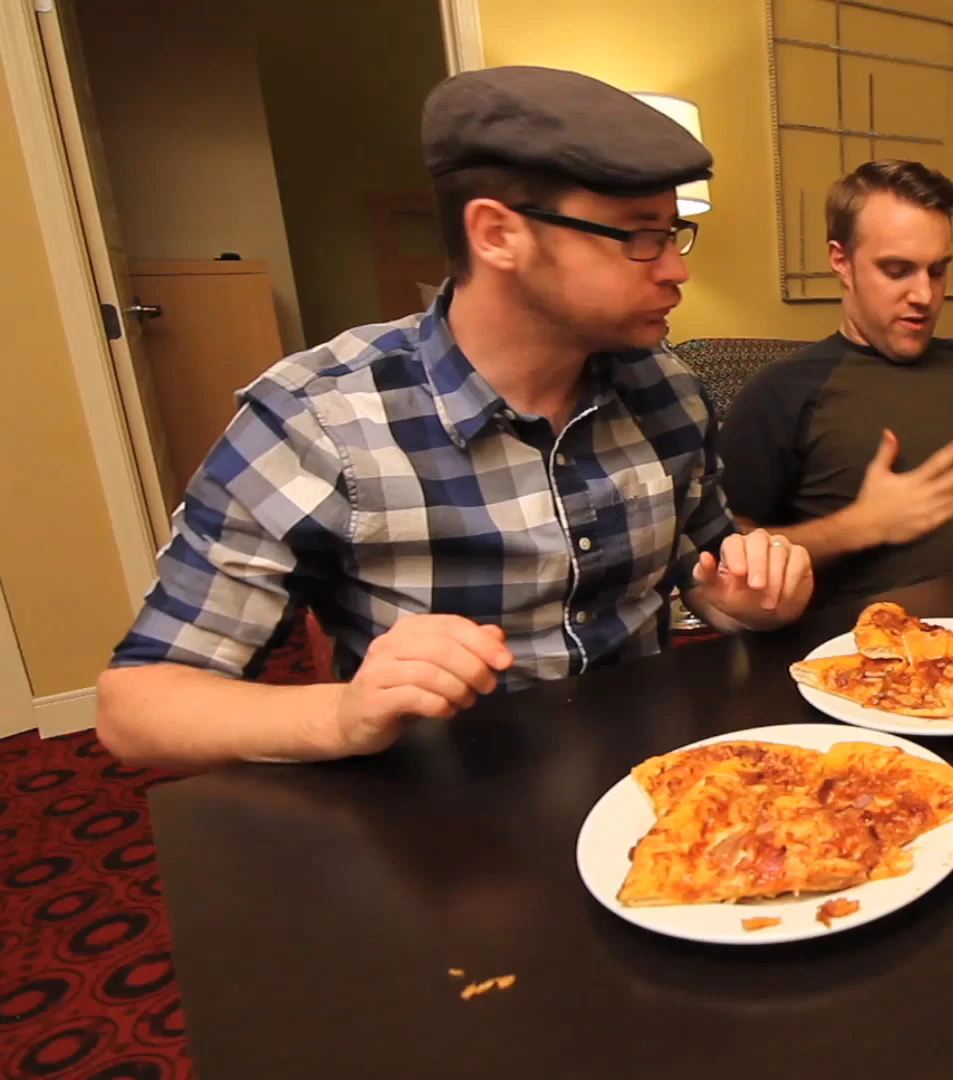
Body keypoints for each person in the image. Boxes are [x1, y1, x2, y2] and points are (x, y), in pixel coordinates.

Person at [96, 66, 812, 769]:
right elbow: (136, 709)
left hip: (657, 788)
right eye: (637, 235)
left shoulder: (666, 388)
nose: (675, 269)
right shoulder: (318, 420)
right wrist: (343, 714)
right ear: (497, 234)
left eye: (673, 232)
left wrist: (755, 599)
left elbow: (710, 582)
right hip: (443, 807)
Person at [716, 159, 953, 604]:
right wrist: (860, 526)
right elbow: (726, 552)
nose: (924, 295)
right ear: (841, 261)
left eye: (937, 271)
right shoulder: (783, 390)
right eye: (897, 270)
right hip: (882, 642)